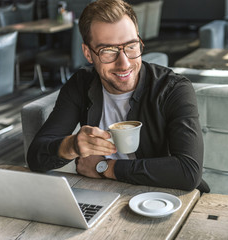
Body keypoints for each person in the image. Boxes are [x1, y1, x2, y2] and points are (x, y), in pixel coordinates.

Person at [27, 0, 205, 192]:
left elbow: (188, 172)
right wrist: (71, 146)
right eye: (108, 51)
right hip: (101, 194)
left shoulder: (174, 89)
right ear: (88, 53)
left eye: (131, 46)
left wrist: (104, 167)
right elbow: (36, 157)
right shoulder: (80, 84)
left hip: (165, 199)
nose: (124, 63)